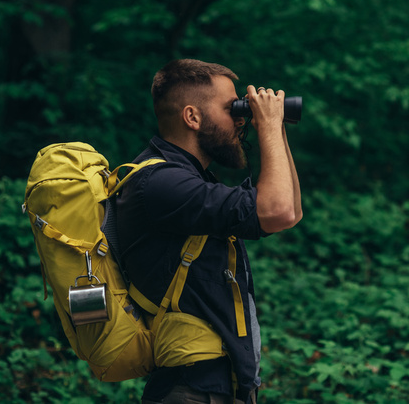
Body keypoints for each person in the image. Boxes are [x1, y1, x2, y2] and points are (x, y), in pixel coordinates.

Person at [115, 59, 303, 403]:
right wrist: (270, 127)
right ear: (192, 117)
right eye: (231, 108)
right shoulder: (159, 182)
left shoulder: (186, 181)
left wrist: (275, 128)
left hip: (217, 388)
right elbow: (276, 210)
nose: (241, 117)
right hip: (191, 390)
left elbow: (289, 211)